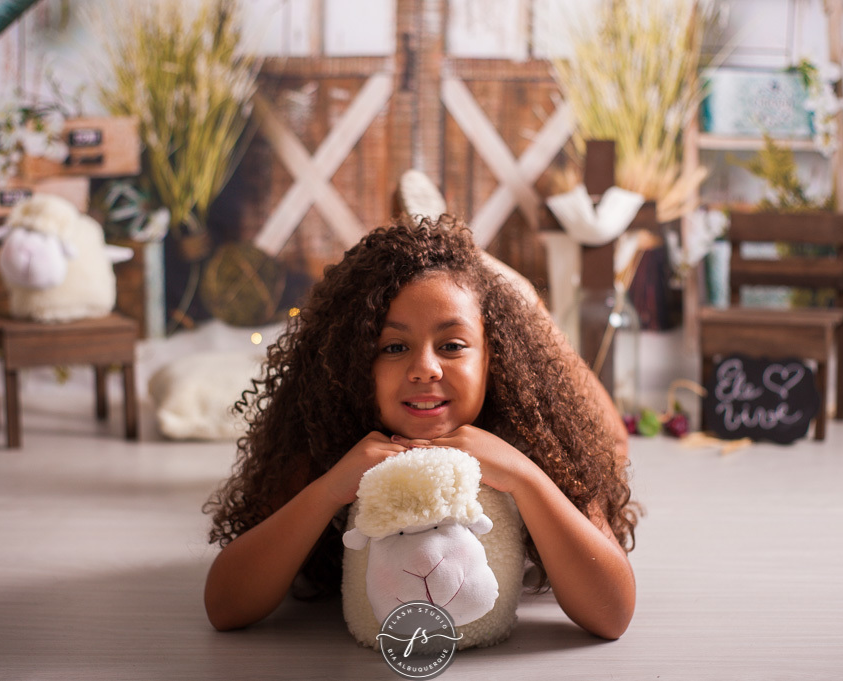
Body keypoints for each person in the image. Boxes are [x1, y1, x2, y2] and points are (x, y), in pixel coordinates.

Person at [203, 214, 638, 639]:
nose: (425, 369)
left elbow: (612, 614)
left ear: (493, 358)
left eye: (452, 345)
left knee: (614, 439)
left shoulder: (540, 439)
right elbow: (225, 607)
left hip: (546, 402)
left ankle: (524, 300)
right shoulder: (322, 438)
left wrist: (524, 476)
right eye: (393, 346)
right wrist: (331, 488)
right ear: (351, 362)